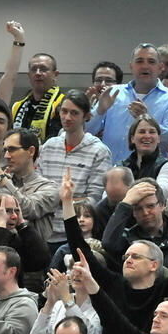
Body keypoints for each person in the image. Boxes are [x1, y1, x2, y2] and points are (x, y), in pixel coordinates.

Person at [0, 129, 60, 252]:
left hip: (31, 262)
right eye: (5, 150)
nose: (7, 156)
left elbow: (28, 208)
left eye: (12, 149)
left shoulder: (49, 188)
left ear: (31, 151)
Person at [85, 42, 168, 163]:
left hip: (149, 175)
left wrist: (148, 121)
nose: (145, 66)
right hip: (109, 171)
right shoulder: (113, 92)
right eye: (139, 61)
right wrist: (100, 110)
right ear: (131, 66)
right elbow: (86, 132)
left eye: (151, 62)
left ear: (160, 67)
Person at [39, 90, 114, 251]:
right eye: (64, 111)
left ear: (86, 116)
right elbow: (39, 189)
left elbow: (94, 198)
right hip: (45, 232)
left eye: (74, 113)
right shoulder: (49, 146)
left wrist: (62, 200)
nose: (67, 117)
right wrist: (62, 198)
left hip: (76, 235)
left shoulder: (99, 151)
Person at [29, 266, 103, 334]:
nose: (76, 274)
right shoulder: (58, 304)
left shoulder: (102, 306)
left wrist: (66, 298)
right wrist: (49, 303)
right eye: (74, 270)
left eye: (81, 271)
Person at [12, 53, 65, 141]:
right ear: (28, 75)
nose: (38, 73)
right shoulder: (17, 107)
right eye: (34, 69)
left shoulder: (63, 103)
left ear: (55, 74)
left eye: (43, 69)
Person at [122, 115, 168, 201]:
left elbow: (161, 193)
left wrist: (127, 196)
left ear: (158, 139)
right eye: (142, 132)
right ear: (132, 139)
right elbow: (109, 195)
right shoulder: (121, 166)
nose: (147, 136)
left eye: (152, 132)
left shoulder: (167, 165)